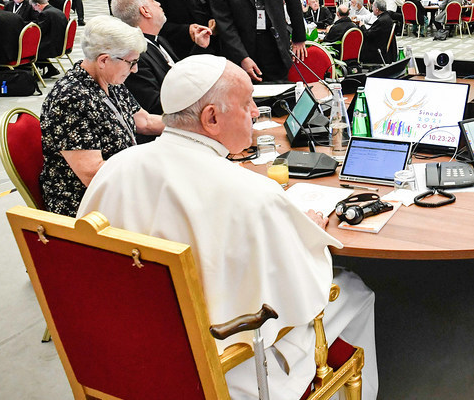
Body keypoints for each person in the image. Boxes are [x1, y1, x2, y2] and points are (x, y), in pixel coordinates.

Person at [76, 55, 377, 400]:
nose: (255, 112)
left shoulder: (115, 168)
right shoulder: (253, 194)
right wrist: (305, 234)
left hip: (127, 353)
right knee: (354, 288)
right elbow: (299, 292)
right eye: (247, 103)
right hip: (227, 370)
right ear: (212, 118)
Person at [39, 15, 164, 217]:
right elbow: (93, 174)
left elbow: (145, 121)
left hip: (120, 184)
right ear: (104, 60)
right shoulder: (71, 99)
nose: (135, 69)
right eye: (131, 62)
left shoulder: (109, 81)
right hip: (88, 203)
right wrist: (150, 170)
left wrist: (187, 125)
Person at [111, 0, 212, 119]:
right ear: (145, 11)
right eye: (153, 0)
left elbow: (181, 72)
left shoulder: (159, 40)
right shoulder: (135, 56)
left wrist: (200, 46)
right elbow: (155, 105)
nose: (158, 3)